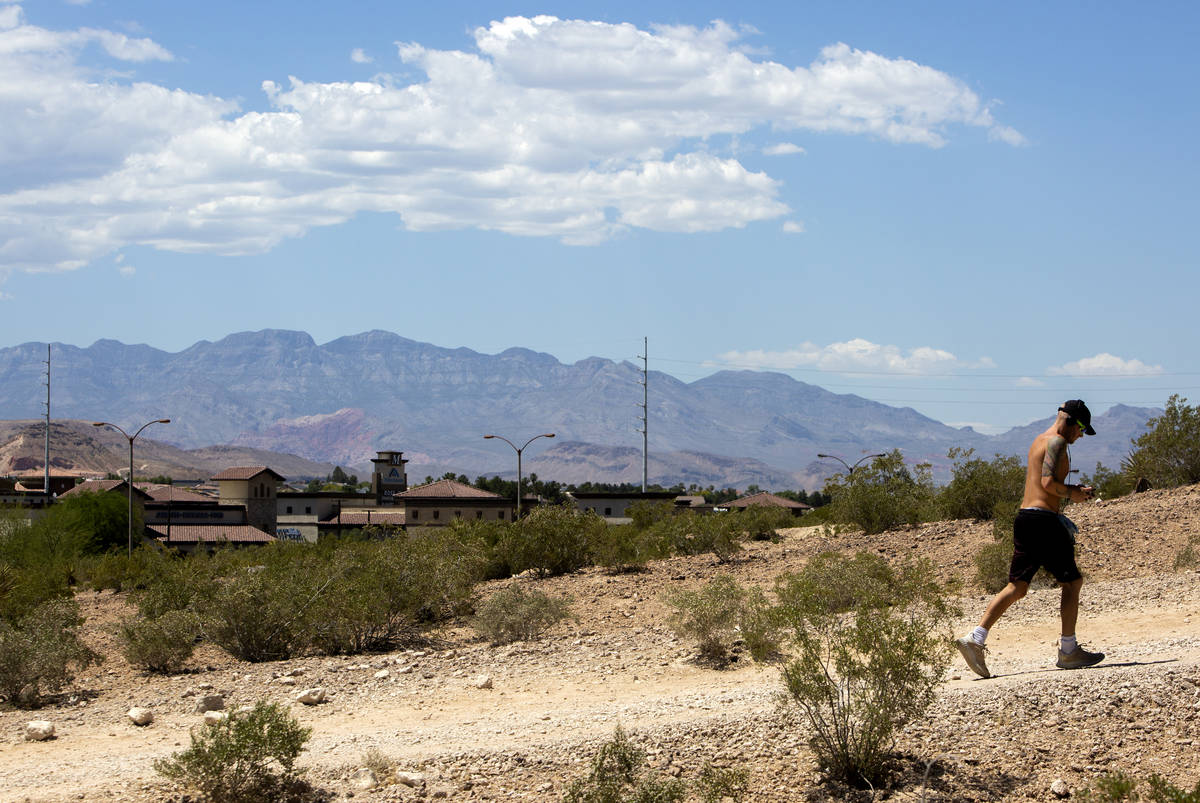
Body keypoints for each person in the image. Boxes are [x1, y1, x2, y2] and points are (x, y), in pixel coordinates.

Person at [955, 400, 1105, 678]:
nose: (1081, 435)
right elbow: (1048, 483)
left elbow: (1040, 483)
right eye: (1082, 428)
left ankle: (975, 638)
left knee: (1018, 586)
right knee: (1072, 582)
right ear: (1071, 421)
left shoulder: (1039, 439)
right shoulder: (1058, 443)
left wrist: (1071, 490)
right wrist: (1073, 493)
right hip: (1043, 520)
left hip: (1025, 518)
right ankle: (1069, 650)